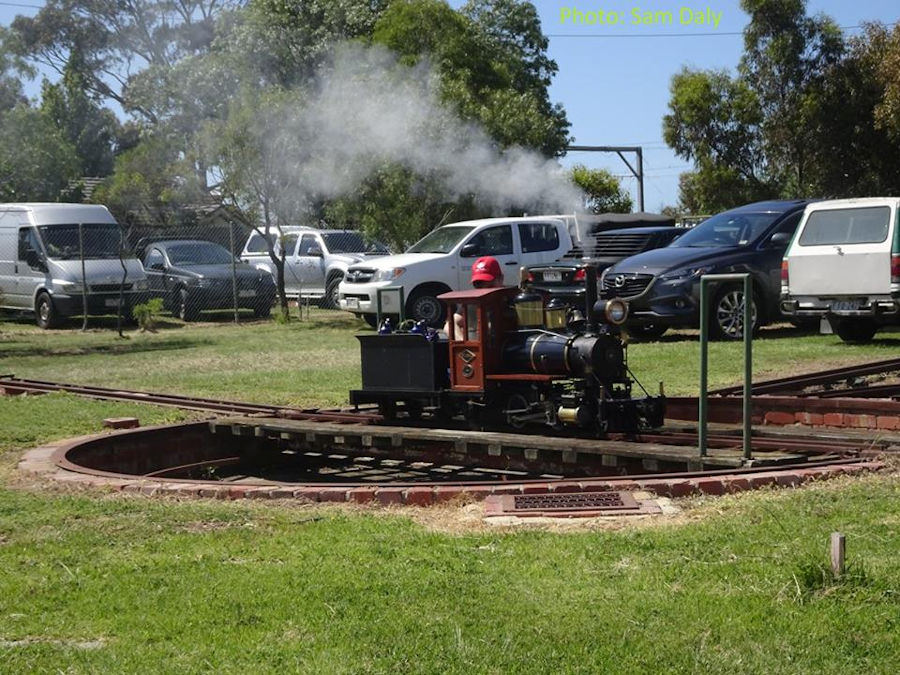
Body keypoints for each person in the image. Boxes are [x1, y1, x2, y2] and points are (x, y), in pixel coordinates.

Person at [444, 256, 504, 337]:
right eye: (479, 286)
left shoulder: (513, 300)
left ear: (501, 279)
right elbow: (450, 325)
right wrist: (463, 345)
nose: (484, 290)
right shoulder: (472, 303)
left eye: (490, 285)